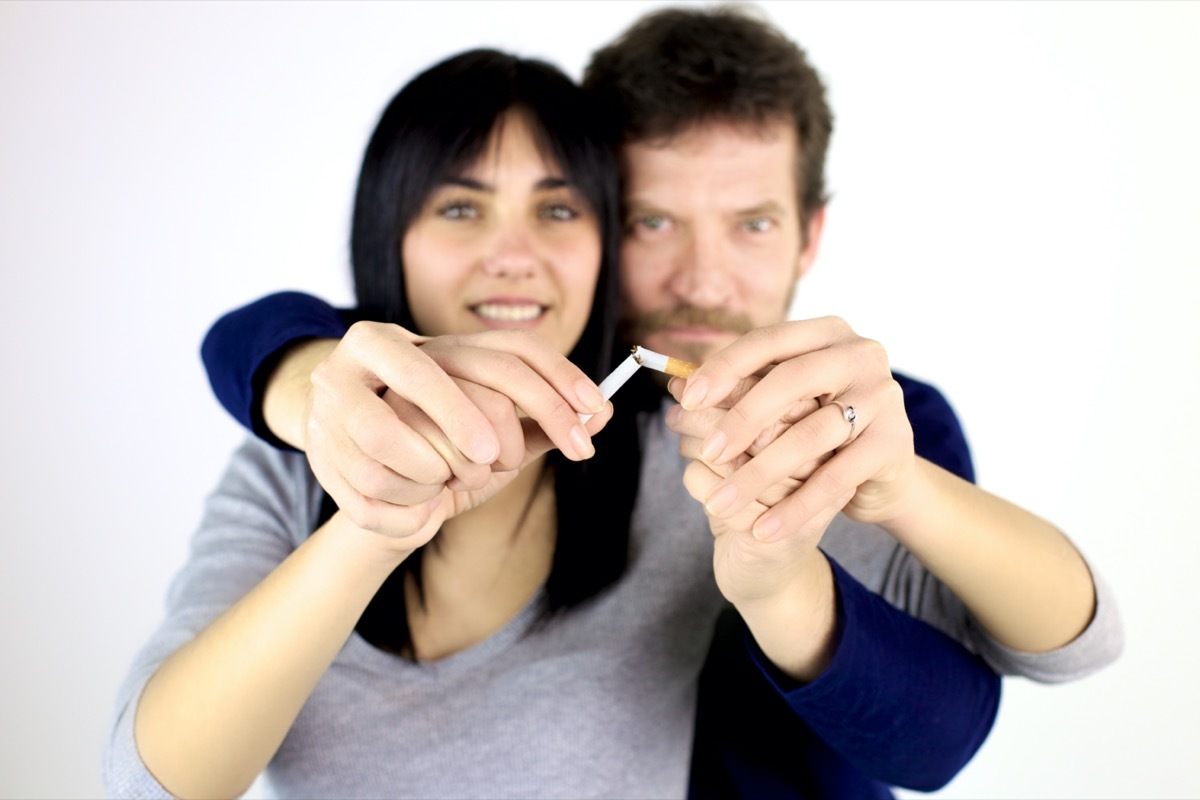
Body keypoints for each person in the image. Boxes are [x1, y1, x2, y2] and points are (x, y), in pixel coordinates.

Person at [105, 47, 1002, 800]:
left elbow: (967, 713)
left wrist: (791, 569)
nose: (512, 256)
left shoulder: (710, 448)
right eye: (460, 207)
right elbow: (148, 780)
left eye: (558, 209)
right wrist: (327, 432)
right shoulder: (285, 467)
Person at [206, 3, 1120, 685]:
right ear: (600, 222)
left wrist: (899, 491)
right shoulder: (565, 399)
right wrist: (300, 379)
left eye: (753, 225)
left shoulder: (870, 415)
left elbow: (1049, 663)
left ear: (810, 234)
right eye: (652, 222)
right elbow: (267, 332)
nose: (702, 282)